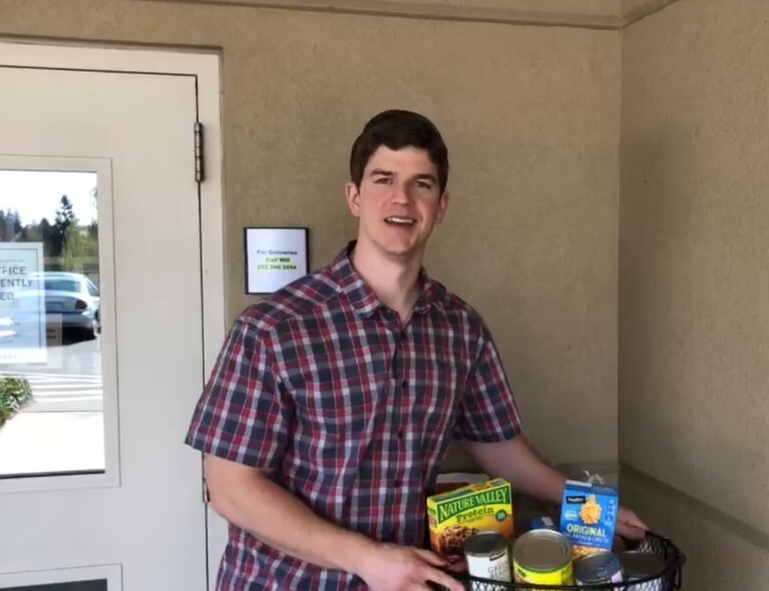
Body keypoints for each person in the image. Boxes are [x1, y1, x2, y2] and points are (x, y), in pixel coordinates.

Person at [185, 109, 647, 591]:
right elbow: (230, 488)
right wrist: (368, 559)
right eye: (383, 178)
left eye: (421, 184)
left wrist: (594, 508)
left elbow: (501, 448)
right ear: (354, 197)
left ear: (441, 205)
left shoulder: (461, 329)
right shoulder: (273, 329)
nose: (401, 198)